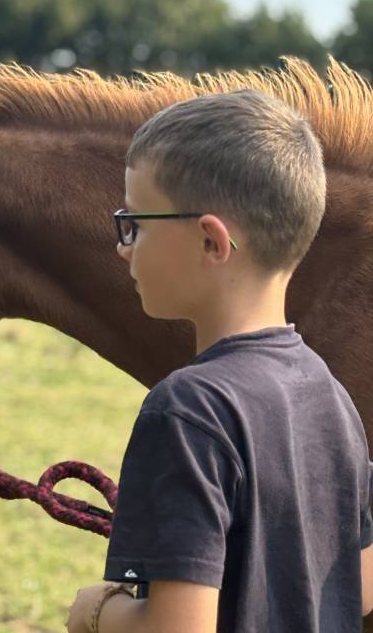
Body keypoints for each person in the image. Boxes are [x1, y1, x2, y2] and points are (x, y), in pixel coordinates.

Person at [66, 88, 373, 633]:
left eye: (135, 222)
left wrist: (95, 611)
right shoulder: (329, 393)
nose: (123, 246)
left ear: (211, 241)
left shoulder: (187, 410)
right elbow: (358, 582)